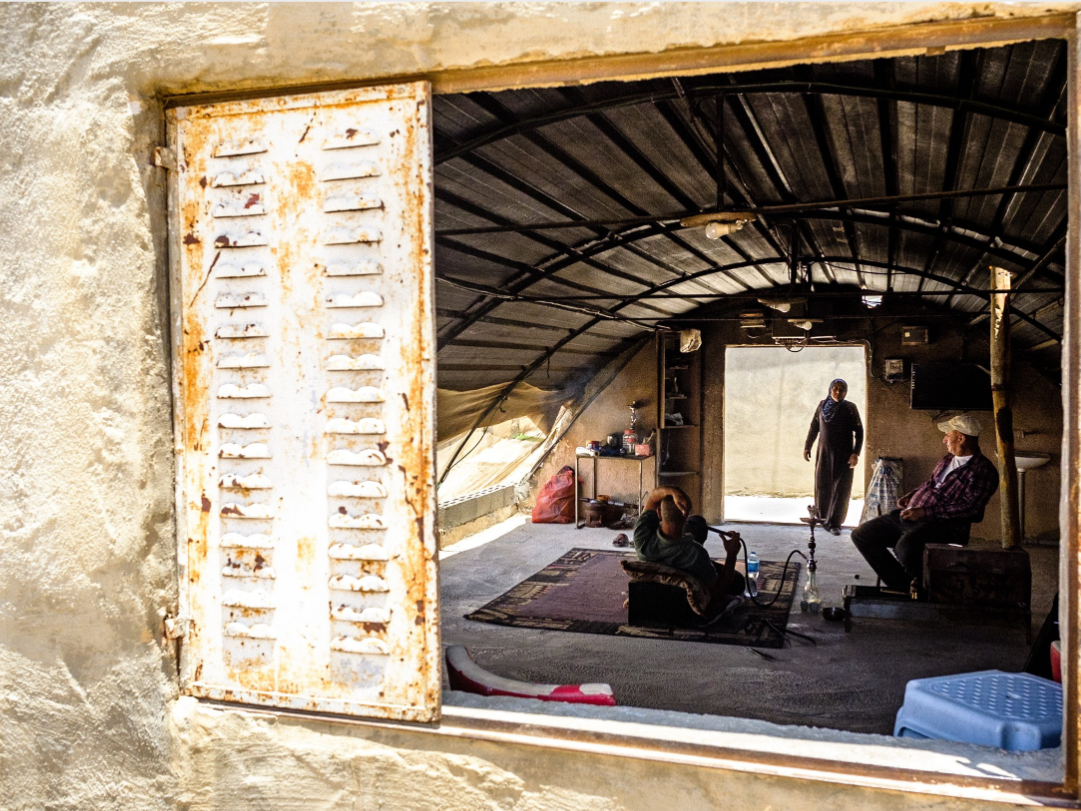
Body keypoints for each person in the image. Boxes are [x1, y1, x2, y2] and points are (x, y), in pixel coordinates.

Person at [851, 414, 998, 594]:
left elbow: (970, 507)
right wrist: (911, 496)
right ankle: (904, 586)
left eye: (948, 435)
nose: (944, 440)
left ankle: (926, 588)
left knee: (905, 548)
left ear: (961, 438)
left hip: (943, 525)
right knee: (862, 535)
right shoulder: (948, 459)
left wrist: (926, 512)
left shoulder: (983, 471)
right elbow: (931, 483)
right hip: (913, 515)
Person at [632, 485, 745, 610]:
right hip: (690, 563)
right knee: (739, 582)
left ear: (658, 512)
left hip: (667, 558)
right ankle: (709, 568)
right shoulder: (697, 554)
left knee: (697, 522)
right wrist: (732, 554)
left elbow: (653, 497)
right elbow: (718, 592)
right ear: (685, 517)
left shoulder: (641, 536)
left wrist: (674, 492)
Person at [804, 379, 863, 535]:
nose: (838, 392)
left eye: (841, 389)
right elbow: (814, 427)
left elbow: (859, 432)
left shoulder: (850, 408)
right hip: (824, 453)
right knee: (822, 485)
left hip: (843, 454)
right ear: (830, 389)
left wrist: (855, 453)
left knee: (840, 488)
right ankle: (823, 518)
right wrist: (807, 446)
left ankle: (835, 523)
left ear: (845, 392)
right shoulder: (822, 405)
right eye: (835, 389)